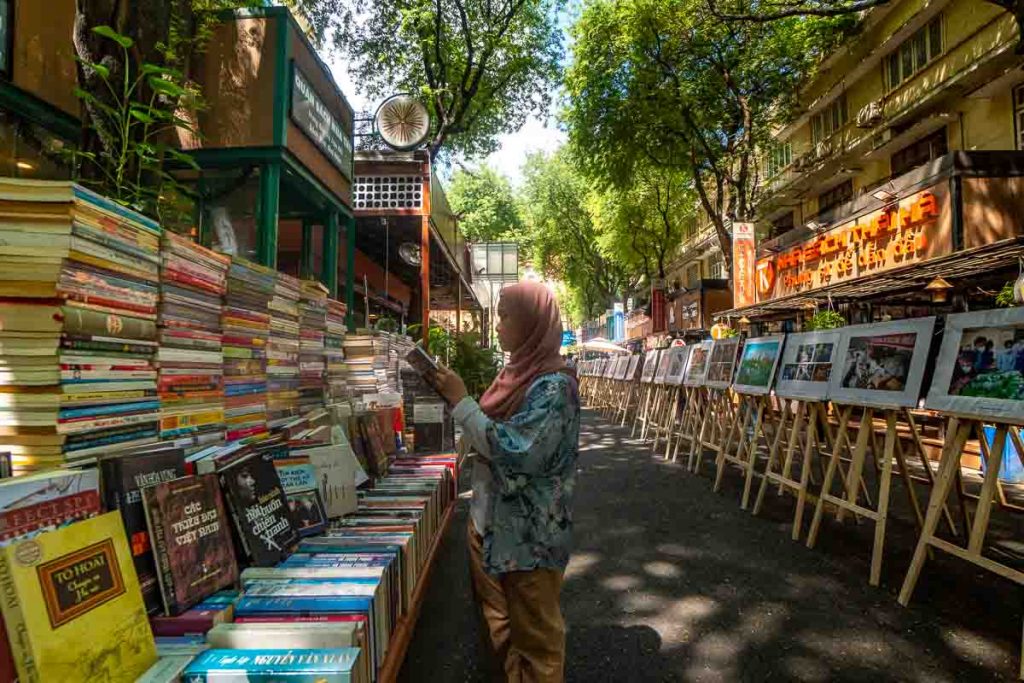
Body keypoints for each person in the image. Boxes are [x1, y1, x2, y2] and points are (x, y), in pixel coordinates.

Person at [430, 281, 580, 683]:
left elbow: (518, 451)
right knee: (499, 631)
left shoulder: (554, 386)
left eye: (505, 315)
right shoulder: (514, 375)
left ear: (531, 322)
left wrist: (462, 402)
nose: (497, 325)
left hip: (529, 538)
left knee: (536, 641)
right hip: (488, 526)